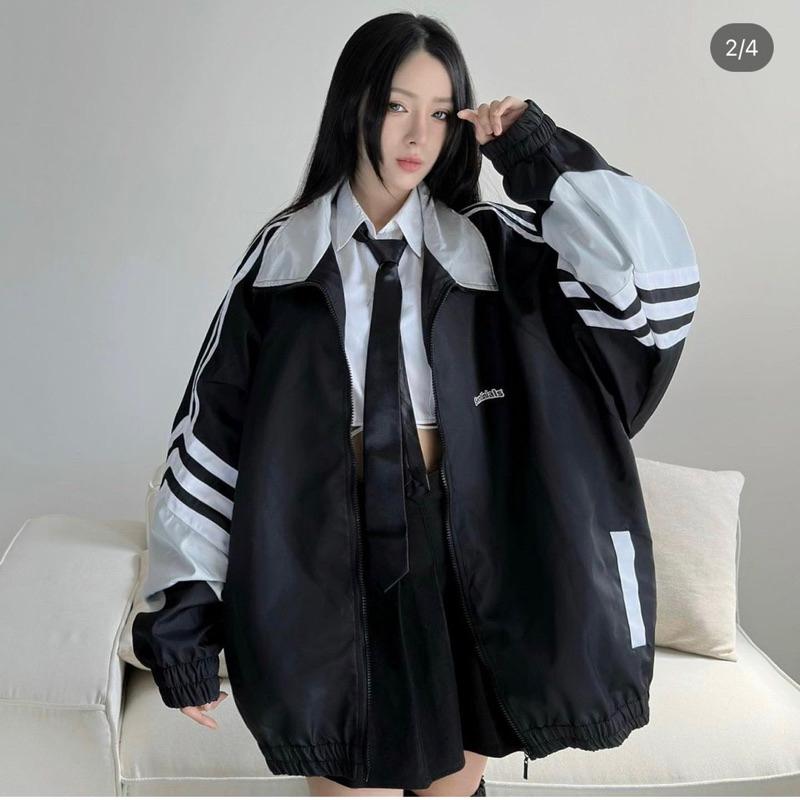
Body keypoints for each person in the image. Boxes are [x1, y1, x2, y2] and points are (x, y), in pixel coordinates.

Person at [132, 11, 700, 798]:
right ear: (354, 107)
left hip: (469, 543)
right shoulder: (283, 256)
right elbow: (209, 442)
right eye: (397, 105)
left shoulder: (496, 245)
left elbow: (654, 290)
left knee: (452, 786)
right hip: (325, 551)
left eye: (438, 112)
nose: (417, 135)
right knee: (341, 778)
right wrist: (182, 625)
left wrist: (537, 154)